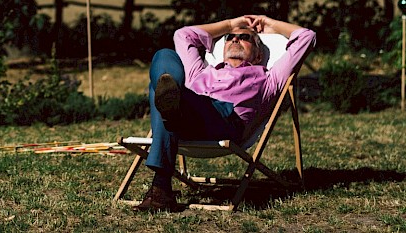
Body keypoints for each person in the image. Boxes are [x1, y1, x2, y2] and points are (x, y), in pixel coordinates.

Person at [135, 14, 316, 212]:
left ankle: (161, 186)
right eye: (229, 37)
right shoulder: (201, 71)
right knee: (164, 57)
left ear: (258, 55)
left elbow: (306, 36)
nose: (235, 39)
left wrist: (268, 23)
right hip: (187, 115)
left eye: (245, 38)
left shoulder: (268, 78)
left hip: (224, 121)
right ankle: (171, 109)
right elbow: (183, 35)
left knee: (162, 92)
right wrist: (230, 24)